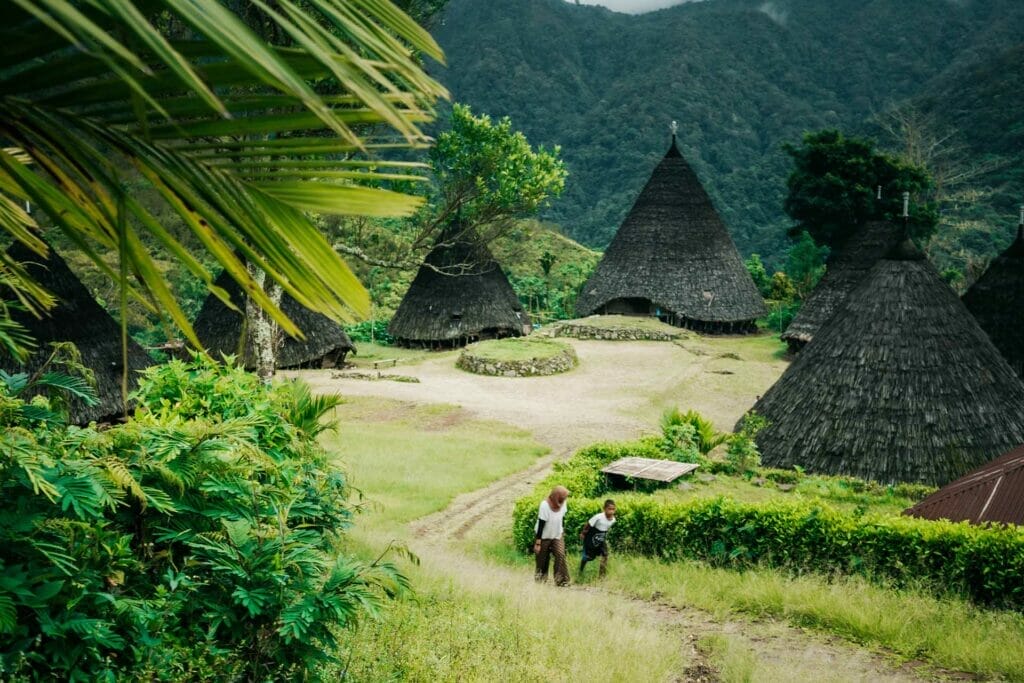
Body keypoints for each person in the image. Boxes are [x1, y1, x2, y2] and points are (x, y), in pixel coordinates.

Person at [533, 485, 570, 586]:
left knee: (560, 554)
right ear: (555, 496)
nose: (564, 500)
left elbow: (562, 517)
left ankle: (561, 581)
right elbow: (541, 524)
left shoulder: (563, 503)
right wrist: (538, 543)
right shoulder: (545, 505)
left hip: (557, 534)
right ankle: (541, 581)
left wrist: (563, 530)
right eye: (562, 498)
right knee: (542, 558)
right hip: (543, 536)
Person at [579, 499, 616, 578]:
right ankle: (581, 570)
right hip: (591, 537)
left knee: (605, 555)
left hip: (601, 538)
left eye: (613, 509)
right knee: (589, 557)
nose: (611, 511)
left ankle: (601, 576)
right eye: (609, 509)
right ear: (604, 509)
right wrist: (583, 533)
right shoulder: (598, 517)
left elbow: (605, 528)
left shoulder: (613, 520)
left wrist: (602, 536)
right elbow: (588, 524)